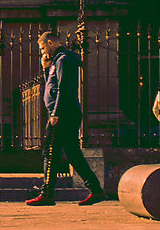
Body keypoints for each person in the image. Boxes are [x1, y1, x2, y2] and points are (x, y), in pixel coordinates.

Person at [25, 30, 105, 206]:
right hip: (64, 112)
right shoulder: (57, 61)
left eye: (42, 47)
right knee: (72, 153)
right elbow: (51, 86)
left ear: (50, 43)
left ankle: (47, 193)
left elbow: (64, 88)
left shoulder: (63, 60)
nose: (42, 52)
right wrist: (46, 69)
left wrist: (56, 113)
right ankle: (96, 190)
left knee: (50, 152)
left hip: (63, 113)